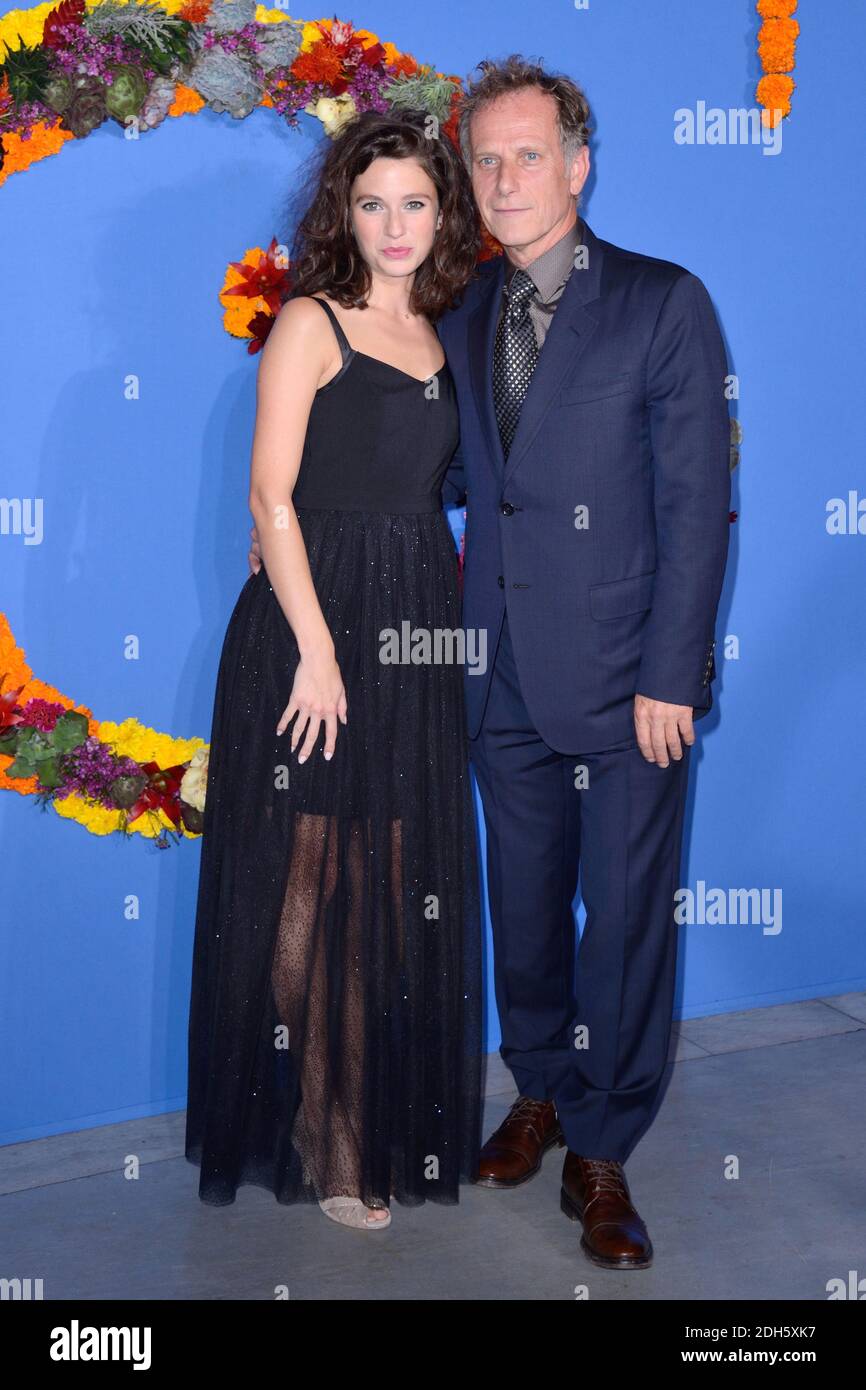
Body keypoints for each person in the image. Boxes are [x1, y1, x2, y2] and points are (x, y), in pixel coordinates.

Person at [436, 56, 731, 1270]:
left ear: (577, 163)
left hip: (626, 685)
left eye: (526, 154)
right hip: (498, 671)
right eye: (485, 159)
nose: (504, 178)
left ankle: (601, 1149)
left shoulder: (665, 303)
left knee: (620, 924)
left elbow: (699, 503)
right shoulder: (459, 314)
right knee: (523, 914)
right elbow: (461, 484)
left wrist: (673, 674)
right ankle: (541, 1090)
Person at [185, 109, 484, 1230]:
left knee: (391, 879)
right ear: (341, 213)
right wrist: (314, 651)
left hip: (413, 619)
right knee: (305, 878)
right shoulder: (309, 321)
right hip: (311, 630)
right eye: (372, 204)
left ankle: (364, 1115)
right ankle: (327, 1133)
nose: (394, 224)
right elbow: (271, 497)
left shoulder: (453, 326)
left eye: (415, 202)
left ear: (442, 210)